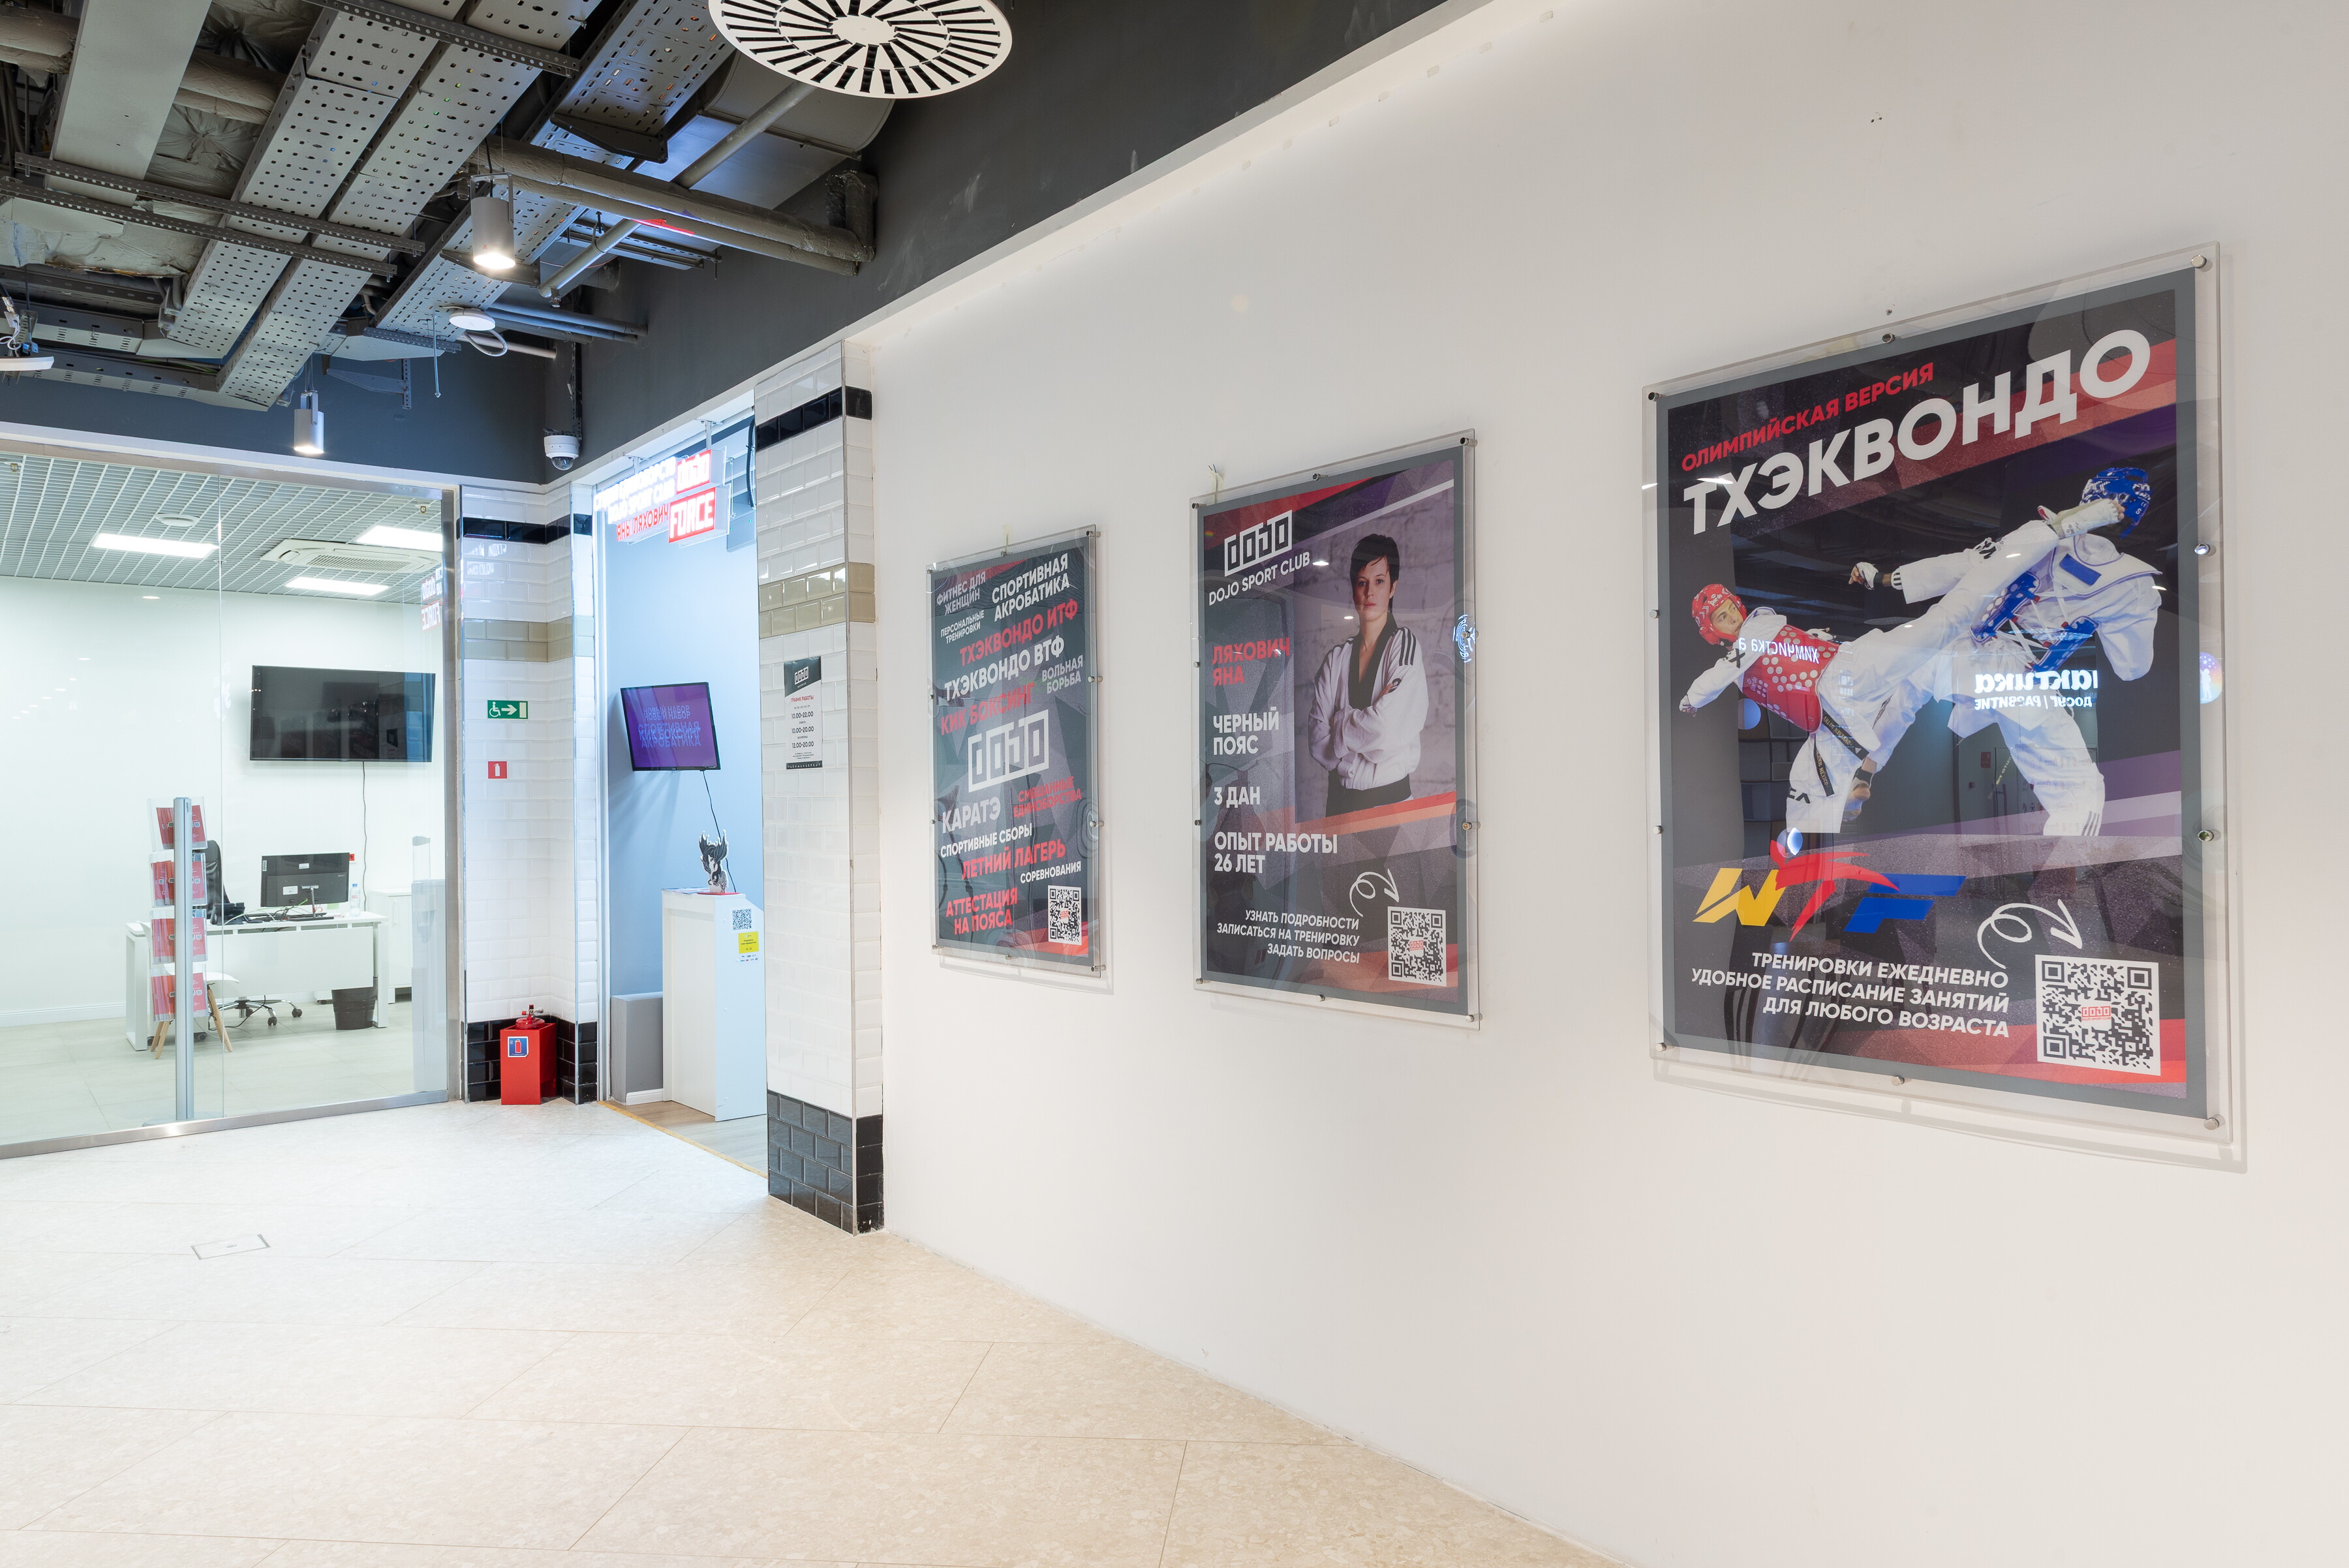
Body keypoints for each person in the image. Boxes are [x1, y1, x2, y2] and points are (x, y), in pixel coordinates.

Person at [1680, 487, 2136, 835]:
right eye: (1721, 616)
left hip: (2008, 672)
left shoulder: (2119, 582)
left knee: (2065, 776)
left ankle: (2068, 856)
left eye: (1729, 609)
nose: (1730, 616)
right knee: (1917, 668)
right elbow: (1960, 566)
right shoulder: (2068, 564)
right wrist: (1883, 579)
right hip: (1960, 659)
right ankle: (1855, 783)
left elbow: (2132, 663)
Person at [1843, 467, 2160, 836]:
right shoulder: (2135, 586)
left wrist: (1883, 579)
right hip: (2022, 682)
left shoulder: (2039, 534)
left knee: (1902, 693)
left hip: (1965, 651)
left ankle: (1863, 770)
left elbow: (1962, 566)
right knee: (2079, 790)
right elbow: (2132, 668)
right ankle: (2068, 859)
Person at [1307, 532, 1428, 817]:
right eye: (1362, 583)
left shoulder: (1404, 646)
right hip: (1340, 808)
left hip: (1391, 808)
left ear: (1393, 587)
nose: (1370, 592)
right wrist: (1368, 725)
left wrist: (1339, 721)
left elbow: (1385, 730)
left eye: (1379, 581)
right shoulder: (1335, 660)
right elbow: (1317, 742)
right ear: (1353, 590)